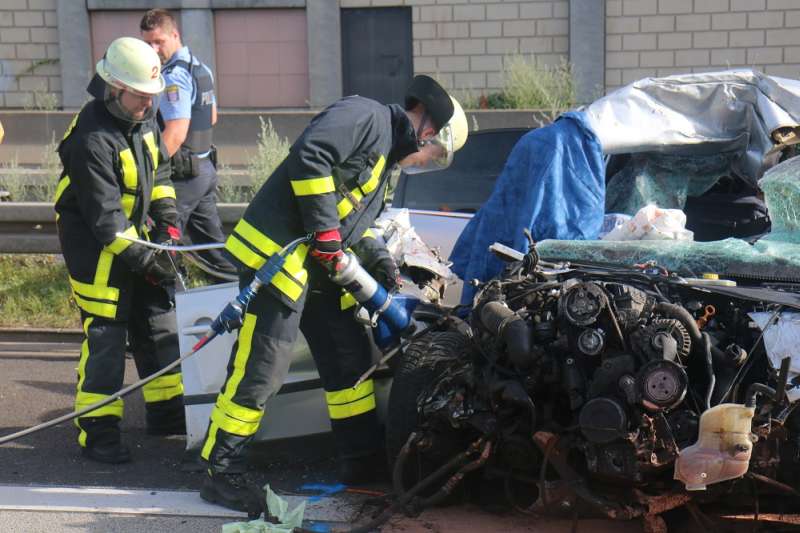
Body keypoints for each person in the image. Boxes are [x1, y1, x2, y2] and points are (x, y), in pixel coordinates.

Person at [198, 75, 468, 515]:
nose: (425, 160)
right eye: (433, 154)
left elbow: (358, 227)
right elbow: (312, 155)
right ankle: (220, 468)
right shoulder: (367, 116)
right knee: (262, 368)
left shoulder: (385, 167)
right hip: (278, 258)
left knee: (349, 357)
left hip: (317, 269)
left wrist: (382, 265)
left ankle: (361, 458)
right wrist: (325, 233)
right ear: (429, 130)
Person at [54, 37, 185, 464]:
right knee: (108, 333)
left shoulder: (141, 118)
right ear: (113, 87)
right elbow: (106, 221)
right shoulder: (91, 138)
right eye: (141, 97)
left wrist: (167, 224)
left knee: (157, 321)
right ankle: (98, 430)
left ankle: (167, 412)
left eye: (153, 97)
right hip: (94, 245)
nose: (149, 105)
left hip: (134, 236)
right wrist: (151, 259)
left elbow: (160, 171)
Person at [140, 8, 236, 281]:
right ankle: (241, 296)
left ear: (175, 34)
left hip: (183, 175)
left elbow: (175, 133)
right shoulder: (199, 67)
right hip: (203, 168)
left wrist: (148, 171)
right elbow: (212, 116)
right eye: (147, 43)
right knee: (213, 250)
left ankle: (166, 305)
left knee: (163, 241)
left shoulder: (173, 77)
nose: (153, 48)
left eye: (159, 41)